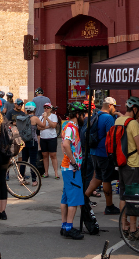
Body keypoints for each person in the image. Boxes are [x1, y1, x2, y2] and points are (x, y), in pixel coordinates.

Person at [115, 97, 139, 237]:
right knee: (134, 198)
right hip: (133, 164)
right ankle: (134, 229)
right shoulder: (133, 123)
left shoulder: (118, 121)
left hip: (121, 163)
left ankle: (124, 225)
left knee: (123, 195)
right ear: (134, 109)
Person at [85, 96, 119, 214]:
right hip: (104, 152)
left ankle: (84, 197)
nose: (115, 109)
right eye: (114, 106)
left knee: (98, 176)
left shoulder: (96, 115)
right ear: (110, 106)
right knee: (106, 179)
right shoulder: (108, 118)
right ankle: (109, 206)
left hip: (94, 151)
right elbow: (112, 136)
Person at [60, 101, 87, 240]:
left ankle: (65, 226)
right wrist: (74, 162)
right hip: (71, 169)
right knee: (74, 200)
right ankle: (69, 227)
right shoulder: (72, 128)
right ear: (77, 114)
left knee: (66, 198)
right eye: (83, 115)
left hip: (67, 168)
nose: (84, 117)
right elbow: (65, 144)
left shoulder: (66, 126)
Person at [19, 101, 42, 185]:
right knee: (33, 161)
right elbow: (42, 125)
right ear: (34, 109)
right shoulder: (35, 118)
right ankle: (34, 180)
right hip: (33, 142)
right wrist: (45, 117)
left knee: (24, 161)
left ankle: (22, 179)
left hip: (24, 142)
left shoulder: (23, 118)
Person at [39, 102, 60, 178]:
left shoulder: (53, 116)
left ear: (51, 109)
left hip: (52, 138)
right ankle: (46, 172)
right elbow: (39, 127)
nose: (46, 109)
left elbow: (53, 125)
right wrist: (47, 126)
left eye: (48, 108)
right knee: (45, 155)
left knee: (53, 155)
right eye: (45, 108)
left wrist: (47, 117)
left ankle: (56, 173)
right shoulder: (40, 117)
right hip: (43, 138)